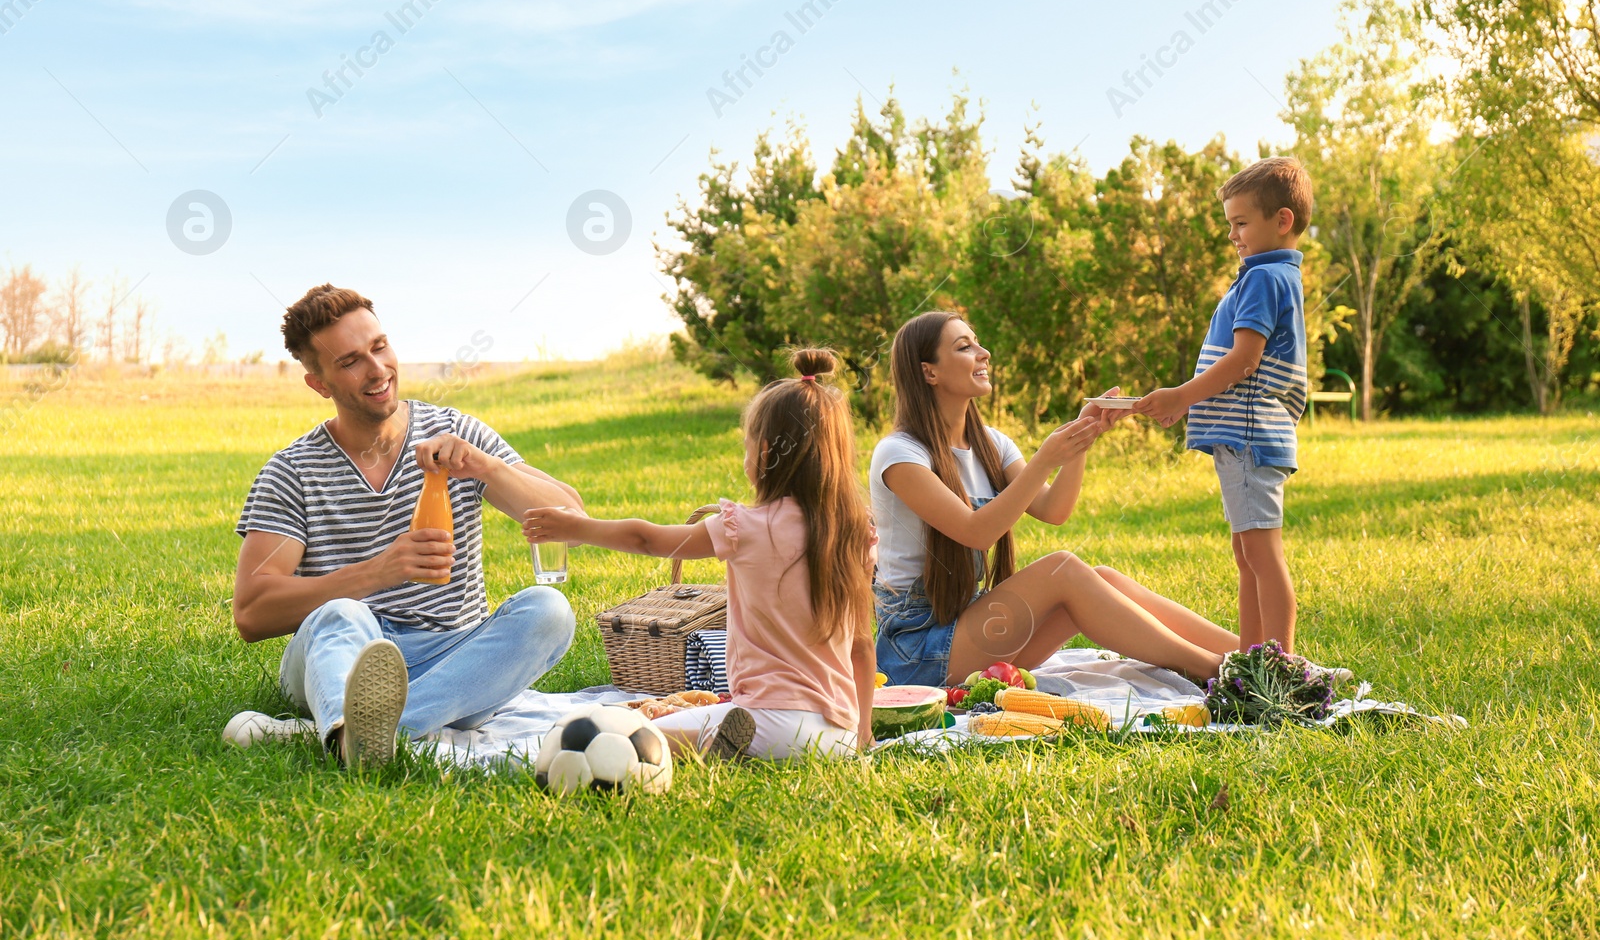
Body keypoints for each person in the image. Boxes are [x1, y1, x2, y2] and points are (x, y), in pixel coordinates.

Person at [225, 284, 581, 768]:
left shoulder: (455, 435)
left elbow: (570, 517)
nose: (377, 370)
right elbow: (252, 612)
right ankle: (372, 722)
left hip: (454, 659)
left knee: (549, 611)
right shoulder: (293, 471)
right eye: (350, 361)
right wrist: (380, 570)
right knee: (341, 612)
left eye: (379, 347)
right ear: (320, 384)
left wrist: (489, 468)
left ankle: (346, 734)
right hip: (340, 657)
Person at [523, 348, 878, 760]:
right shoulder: (854, 531)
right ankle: (726, 742)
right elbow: (862, 648)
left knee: (633, 732)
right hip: (837, 733)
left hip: (767, 722)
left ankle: (724, 741)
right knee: (712, 721)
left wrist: (577, 527)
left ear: (764, 452)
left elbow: (648, 540)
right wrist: (863, 734)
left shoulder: (743, 526)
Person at [872, 311, 1237, 687]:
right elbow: (976, 533)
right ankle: (1220, 674)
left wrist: (1082, 437)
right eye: (965, 347)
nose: (984, 353)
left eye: (977, 342)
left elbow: (1053, 510)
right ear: (929, 372)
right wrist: (1045, 459)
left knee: (1103, 579)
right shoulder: (900, 455)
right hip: (918, 652)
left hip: (972, 631)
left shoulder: (990, 443)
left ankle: (1257, 657)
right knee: (1061, 569)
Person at [1133, 157, 1311, 654]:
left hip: (1249, 436)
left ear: (1282, 221)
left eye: (1241, 223)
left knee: (1261, 553)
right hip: (1247, 437)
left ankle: (1279, 669)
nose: (1233, 235)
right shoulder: (1273, 276)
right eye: (1230, 224)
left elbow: (1244, 360)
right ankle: (1253, 658)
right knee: (1247, 552)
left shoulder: (1262, 278)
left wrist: (1182, 397)